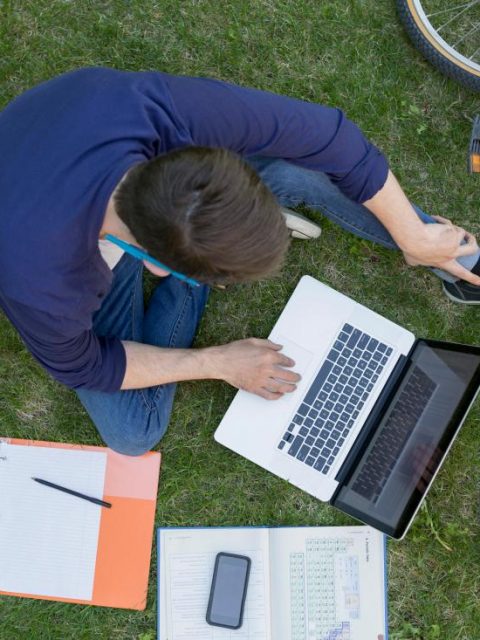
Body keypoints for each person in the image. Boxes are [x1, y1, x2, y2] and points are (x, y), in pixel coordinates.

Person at [1, 67, 479, 456]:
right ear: (156, 265)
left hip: (96, 186)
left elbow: (333, 139)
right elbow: (84, 366)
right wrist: (218, 362)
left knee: (307, 168)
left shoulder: (150, 107)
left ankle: (455, 258)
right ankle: (198, 273)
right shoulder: (44, 284)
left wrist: (414, 235)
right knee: (133, 433)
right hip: (57, 242)